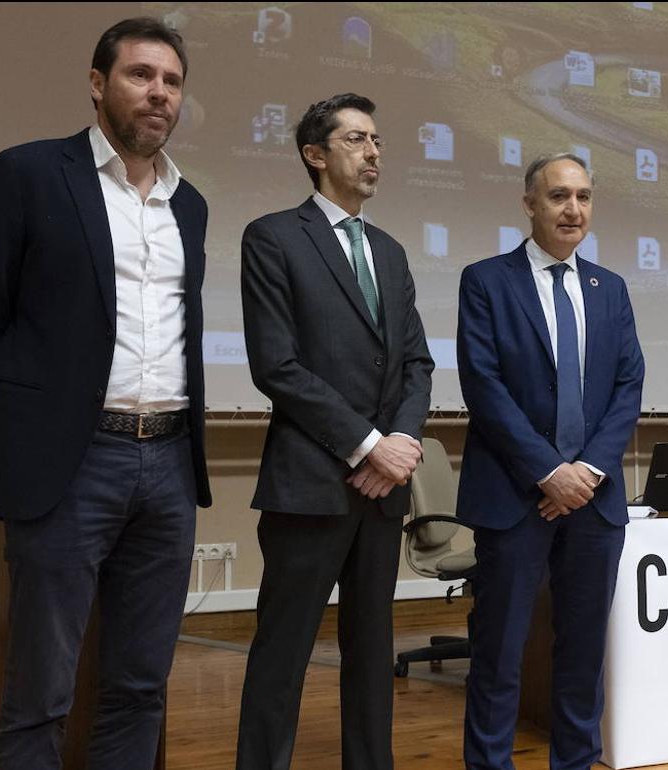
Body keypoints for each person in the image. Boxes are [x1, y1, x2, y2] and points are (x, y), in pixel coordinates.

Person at [0, 17, 210, 770]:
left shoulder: (187, 204)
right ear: (98, 84)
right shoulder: (28, 174)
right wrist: (26, 439)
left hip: (166, 465)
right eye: (140, 75)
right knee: (40, 694)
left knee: (139, 687)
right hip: (72, 465)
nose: (158, 94)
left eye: (171, 81)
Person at [236, 92, 434, 770]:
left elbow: (415, 362)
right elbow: (277, 366)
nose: (374, 152)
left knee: (372, 651)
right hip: (310, 484)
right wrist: (369, 444)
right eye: (356, 139)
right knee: (283, 652)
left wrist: (399, 449)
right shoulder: (273, 237)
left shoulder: (391, 250)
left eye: (377, 140)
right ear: (315, 155)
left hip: (382, 492)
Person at [456, 153, 646, 770]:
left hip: (594, 500)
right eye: (560, 196)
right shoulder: (486, 280)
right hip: (516, 496)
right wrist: (549, 473)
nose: (573, 210)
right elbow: (484, 386)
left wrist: (586, 472)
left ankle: (575, 761)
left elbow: (628, 386)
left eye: (584, 197)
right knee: (500, 651)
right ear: (529, 204)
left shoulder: (610, 288)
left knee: (584, 651)